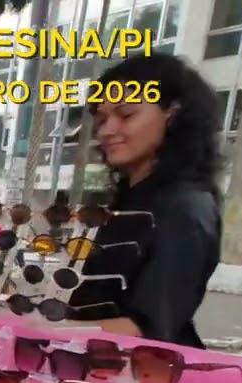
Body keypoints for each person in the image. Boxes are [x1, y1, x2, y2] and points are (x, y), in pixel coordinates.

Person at [68, 54, 222, 349]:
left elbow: (148, 327)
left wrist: (42, 333)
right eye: (102, 119)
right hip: (90, 366)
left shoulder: (185, 206)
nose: (106, 131)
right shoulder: (127, 200)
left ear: (172, 114)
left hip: (146, 379)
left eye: (126, 115)